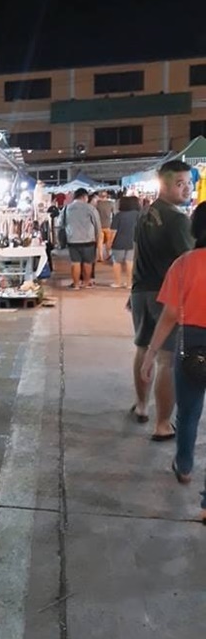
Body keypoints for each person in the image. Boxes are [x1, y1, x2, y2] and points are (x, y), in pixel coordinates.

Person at [141, 202, 206, 522]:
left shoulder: (184, 264)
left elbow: (168, 316)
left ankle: (184, 466)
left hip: (191, 343)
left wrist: (150, 353)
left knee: (188, 412)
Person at [130, 160, 193, 438]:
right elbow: (189, 261)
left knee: (143, 348)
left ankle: (142, 406)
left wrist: (132, 290)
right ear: (164, 185)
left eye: (189, 182)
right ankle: (163, 424)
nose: (187, 188)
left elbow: (136, 253)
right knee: (167, 360)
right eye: (180, 184)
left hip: (140, 292)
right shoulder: (178, 220)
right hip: (166, 296)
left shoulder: (144, 213)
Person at [60, 188, 103, 288]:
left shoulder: (66, 208)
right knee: (88, 263)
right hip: (88, 240)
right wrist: (98, 239)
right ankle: (86, 283)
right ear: (84, 197)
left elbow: (61, 224)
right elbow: (97, 225)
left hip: (72, 240)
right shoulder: (90, 208)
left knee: (75, 262)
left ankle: (76, 285)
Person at [109, 195, 141, 288]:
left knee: (117, 262)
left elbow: (113, 231)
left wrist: (109, 243)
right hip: (133, 242)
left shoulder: (118, 215)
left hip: (118, 242)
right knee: (130, 262)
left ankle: (117, 282)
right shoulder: (138, 215)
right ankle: (129, 283)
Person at [95, 190, 116, 260]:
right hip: (108, 225)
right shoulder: (111, 203)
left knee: (100, 242)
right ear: (106, 196)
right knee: (108, 241)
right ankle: (108, 254)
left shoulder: (97, 204)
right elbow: (114, 214)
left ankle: (100, 256)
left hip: (99, 225)